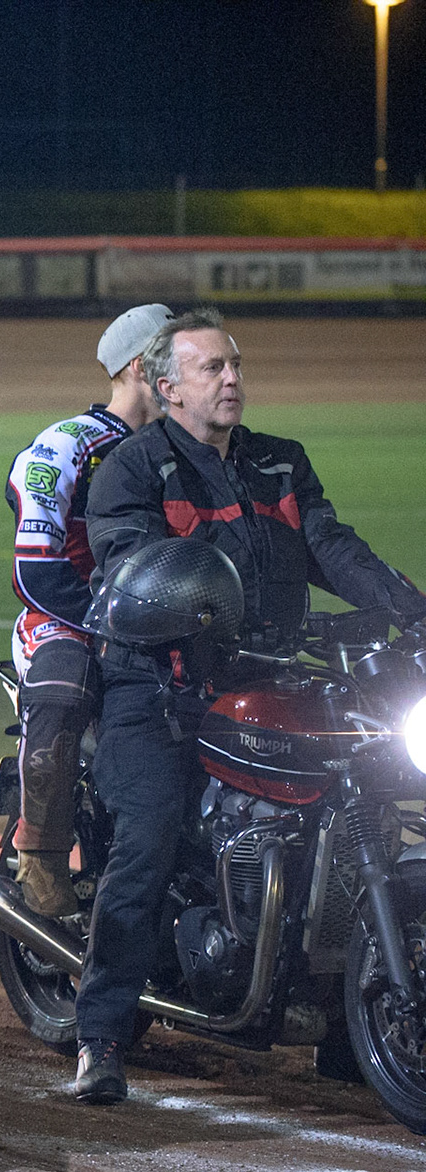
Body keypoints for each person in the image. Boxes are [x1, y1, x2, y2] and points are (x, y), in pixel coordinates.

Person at [72, 308, 426, 1103]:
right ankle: (100, 1035)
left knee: (362, 802)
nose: (232, 379)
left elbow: (332, 547)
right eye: (212, 369)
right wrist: (197, 612)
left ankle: (344, 1025)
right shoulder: (133, 470)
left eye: (235, 365)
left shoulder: (278, 462)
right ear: (166, 388)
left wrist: (410, 607)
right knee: (150, 836)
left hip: (269, 676)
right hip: (160, 685)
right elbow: (131, 566)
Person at [2, 304, 172, 918]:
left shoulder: (187, 448)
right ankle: (40, 860)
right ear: (139, 367)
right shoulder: (66, 445)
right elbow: (35, 568)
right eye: (172, 357)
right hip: (69, 622)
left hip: (165, 621)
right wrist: (111, 621)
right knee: (65, 688)